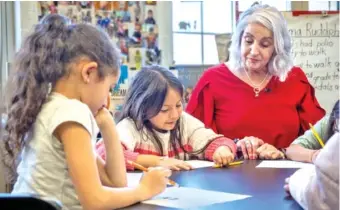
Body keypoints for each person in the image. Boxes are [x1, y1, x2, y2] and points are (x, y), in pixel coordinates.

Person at [0, 14, 170, 210]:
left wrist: (107, 125)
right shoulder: (72, 112)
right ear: (88, 72)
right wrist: (145, 190)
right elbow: (94, 201)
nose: (108, 98)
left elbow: (115, 183)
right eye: (109, 87)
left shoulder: (50, 106)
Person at [186, 4, 325, 160]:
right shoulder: (212, 81)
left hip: (286, 175)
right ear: (239, 40)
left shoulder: (295, 80)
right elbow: (191, 139)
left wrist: (282, 152)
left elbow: (318, 140)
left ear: (277, 48)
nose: (254, 51)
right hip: (228, 175)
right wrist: (233, 145)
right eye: (248, 41)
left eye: (264, 44)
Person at [96, 66, 236, 171]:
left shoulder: (183, 121)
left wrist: (221, 149)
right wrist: (158, 161)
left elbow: (214, 140)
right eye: (164, 109)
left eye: (178, 105)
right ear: (143, 106)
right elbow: (105, 154)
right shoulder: (131, 126)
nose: (174, 114)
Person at [284, 132, 339, 210]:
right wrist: (313, 155)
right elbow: (291, 150)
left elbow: (323, 201)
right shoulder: (329, 122)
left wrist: (295, 184)